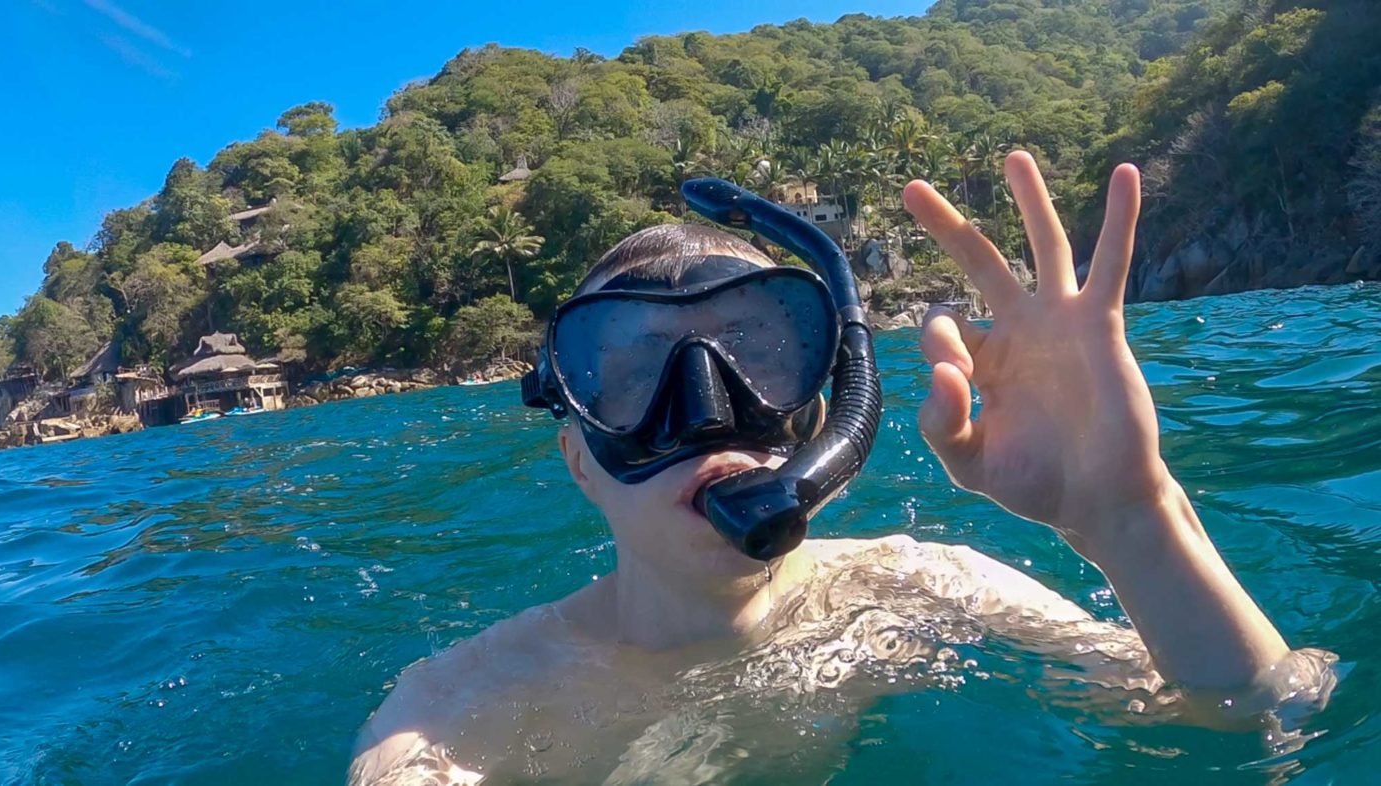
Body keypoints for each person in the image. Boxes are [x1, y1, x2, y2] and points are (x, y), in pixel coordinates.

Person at [349, 152, 1335, 785]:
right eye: (637, 370)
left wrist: (1131, 520)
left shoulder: (916, 589)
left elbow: (1263, 722)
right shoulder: (461, 709)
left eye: (759, 352)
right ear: (579, 460)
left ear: (827, 401)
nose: (708, 410)